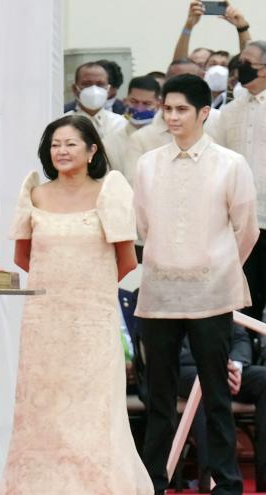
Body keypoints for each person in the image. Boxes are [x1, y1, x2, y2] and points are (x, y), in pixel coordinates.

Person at [0, 114, 151, 494]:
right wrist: (59, 285)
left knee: (93, 408)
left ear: (92, 149)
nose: (62, 151)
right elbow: (22, 256)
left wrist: (88, 289)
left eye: (70, 144)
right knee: (42, 408)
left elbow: (126, 259)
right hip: (43, 321)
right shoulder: (35, 192)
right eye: (55, 145)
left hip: (92, 320)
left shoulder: (110, 189)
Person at [135, 74, 259, 495]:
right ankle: (153, 482)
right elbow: (142, 225)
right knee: (159, 398)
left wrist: (218, 267)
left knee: (216, 395)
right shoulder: (147, 163)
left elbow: (247, 230)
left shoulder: (230, 163)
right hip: (158, 293)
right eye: (166, 109)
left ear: (205, 112)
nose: (171, 116)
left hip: (212, 294)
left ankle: (227, 485)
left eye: (181, 109)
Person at [209, 41, 266, 324]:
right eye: (239, 62)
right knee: (245, 303)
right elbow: (218, 161)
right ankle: (244, 361)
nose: (240, 68)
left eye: (248, 63)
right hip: (240, 224)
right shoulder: (230, 111)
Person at [178, 324, 266, 492]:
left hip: (228, 365)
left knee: (264, 379)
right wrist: (215, 365)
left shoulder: (222, 296)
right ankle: (212, 480)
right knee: (206, 383)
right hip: (187, 368)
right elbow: (167, 348)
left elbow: (240, 338)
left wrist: (235, 366)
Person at [104, 75, 161, 175]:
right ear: (126, 101)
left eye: (146, 103)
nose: (139, 108)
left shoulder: (169, 137)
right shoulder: (110, 142)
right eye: (134, 102)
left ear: (158, 104)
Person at [172, 1, 251, 68]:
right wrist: (188, 26)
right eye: (198, 65)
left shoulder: (233, 82)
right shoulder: (191, 83)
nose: (217, 68)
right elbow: (179, 65)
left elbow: (249, 62)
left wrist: (242, 28)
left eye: (223, 65)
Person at [65, 61, 127, 138]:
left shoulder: (120, 124)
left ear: (108, 89)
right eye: (87, 84)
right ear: (75, 89)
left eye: (100, 84)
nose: (94, 89)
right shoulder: (63, 123)